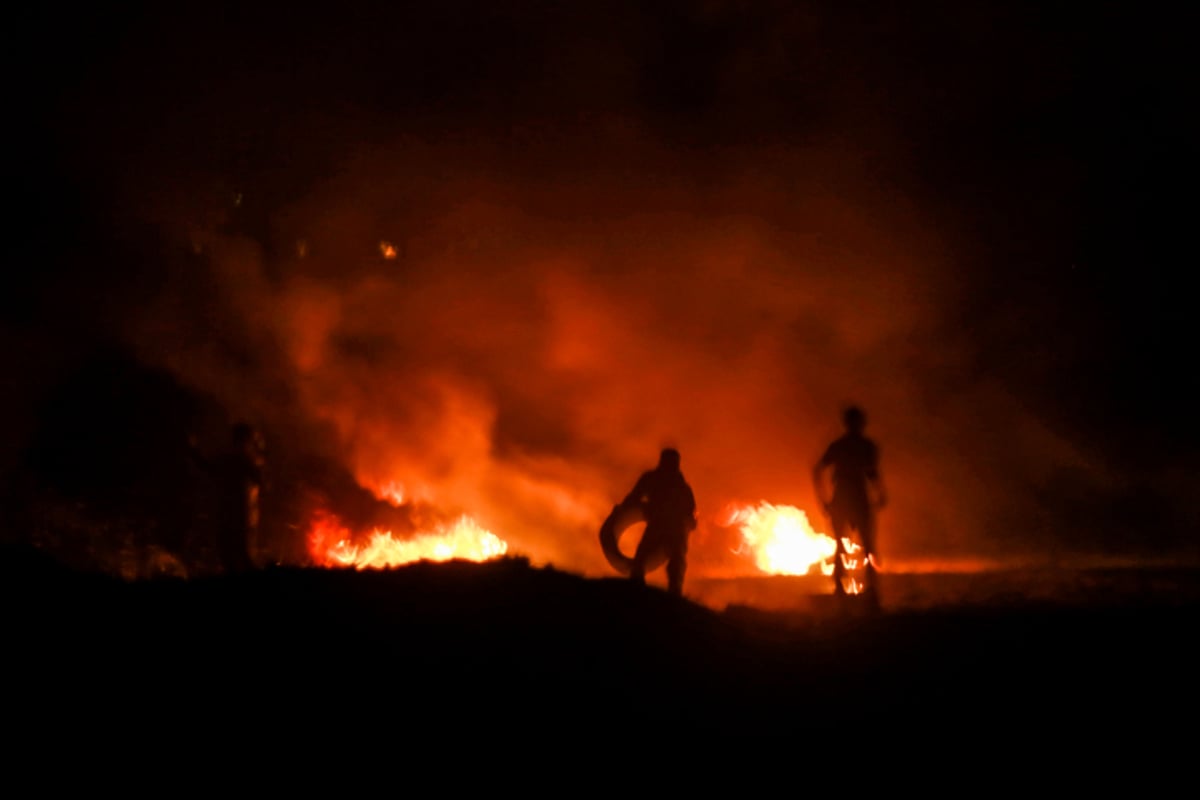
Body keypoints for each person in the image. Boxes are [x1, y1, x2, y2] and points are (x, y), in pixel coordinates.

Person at [812, 406, 886, 597]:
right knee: (849, 545)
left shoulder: (852, 446)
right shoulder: (856, 446)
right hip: (849, 497)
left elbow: (871, 472)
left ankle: (866, 588)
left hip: (852, 497)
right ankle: (848, 588)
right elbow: (818, 470)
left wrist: (880, 492)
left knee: (864, 545)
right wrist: (823, 500)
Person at [624, 448, 697, 597]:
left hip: (673, 527)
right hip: (661, 524)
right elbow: (635, 496)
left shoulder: (681, 486)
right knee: (644, 555)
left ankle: (673, 590)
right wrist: (624, 509)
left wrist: (689, 522)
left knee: (675, 560)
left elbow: (690, 510)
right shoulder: (656, 479)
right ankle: (637, 584)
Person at [214, 422, 265, 574]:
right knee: (241, 553)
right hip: (242, 512)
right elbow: (260, 480)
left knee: (231, 553)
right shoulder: (244, 459)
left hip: (233, 511)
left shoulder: (231, 458)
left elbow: (210, 469)